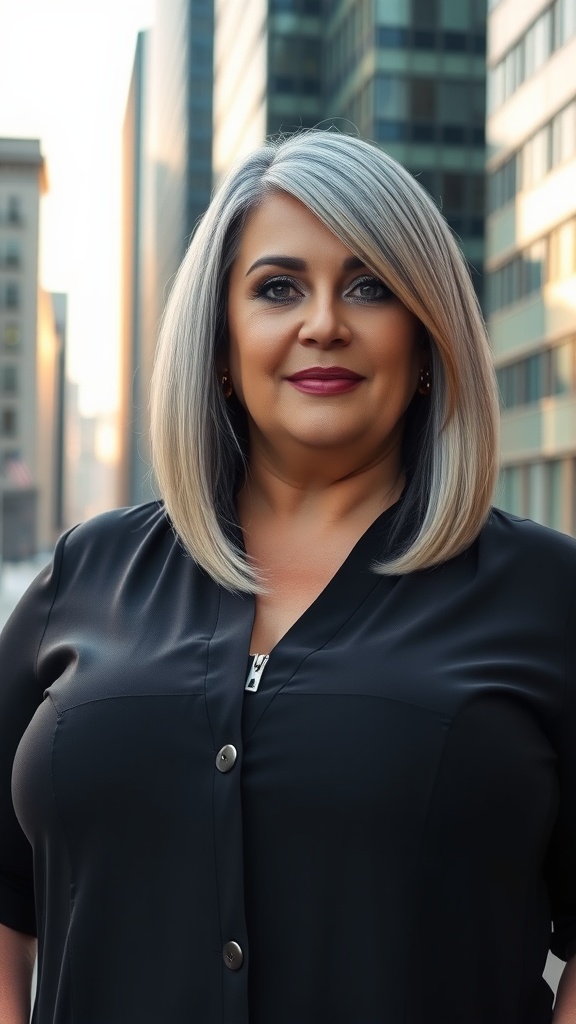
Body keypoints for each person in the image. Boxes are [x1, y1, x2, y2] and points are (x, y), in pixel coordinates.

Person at [1, 130, 576, 1024]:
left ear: (426, 343)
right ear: (222, 344)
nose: (323, 322)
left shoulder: (548, 596)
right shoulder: (83, 574)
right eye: (277, 288)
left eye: (370, 286)